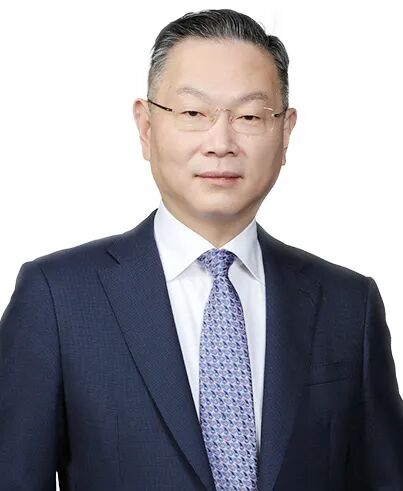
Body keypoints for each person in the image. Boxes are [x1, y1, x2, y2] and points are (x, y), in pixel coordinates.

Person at [0, 8, 402, 491]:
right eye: (193, 113)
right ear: (146, 127)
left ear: (285, 132)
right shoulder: (57, 298)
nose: (221, 142)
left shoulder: (348, 303)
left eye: (250, 116)